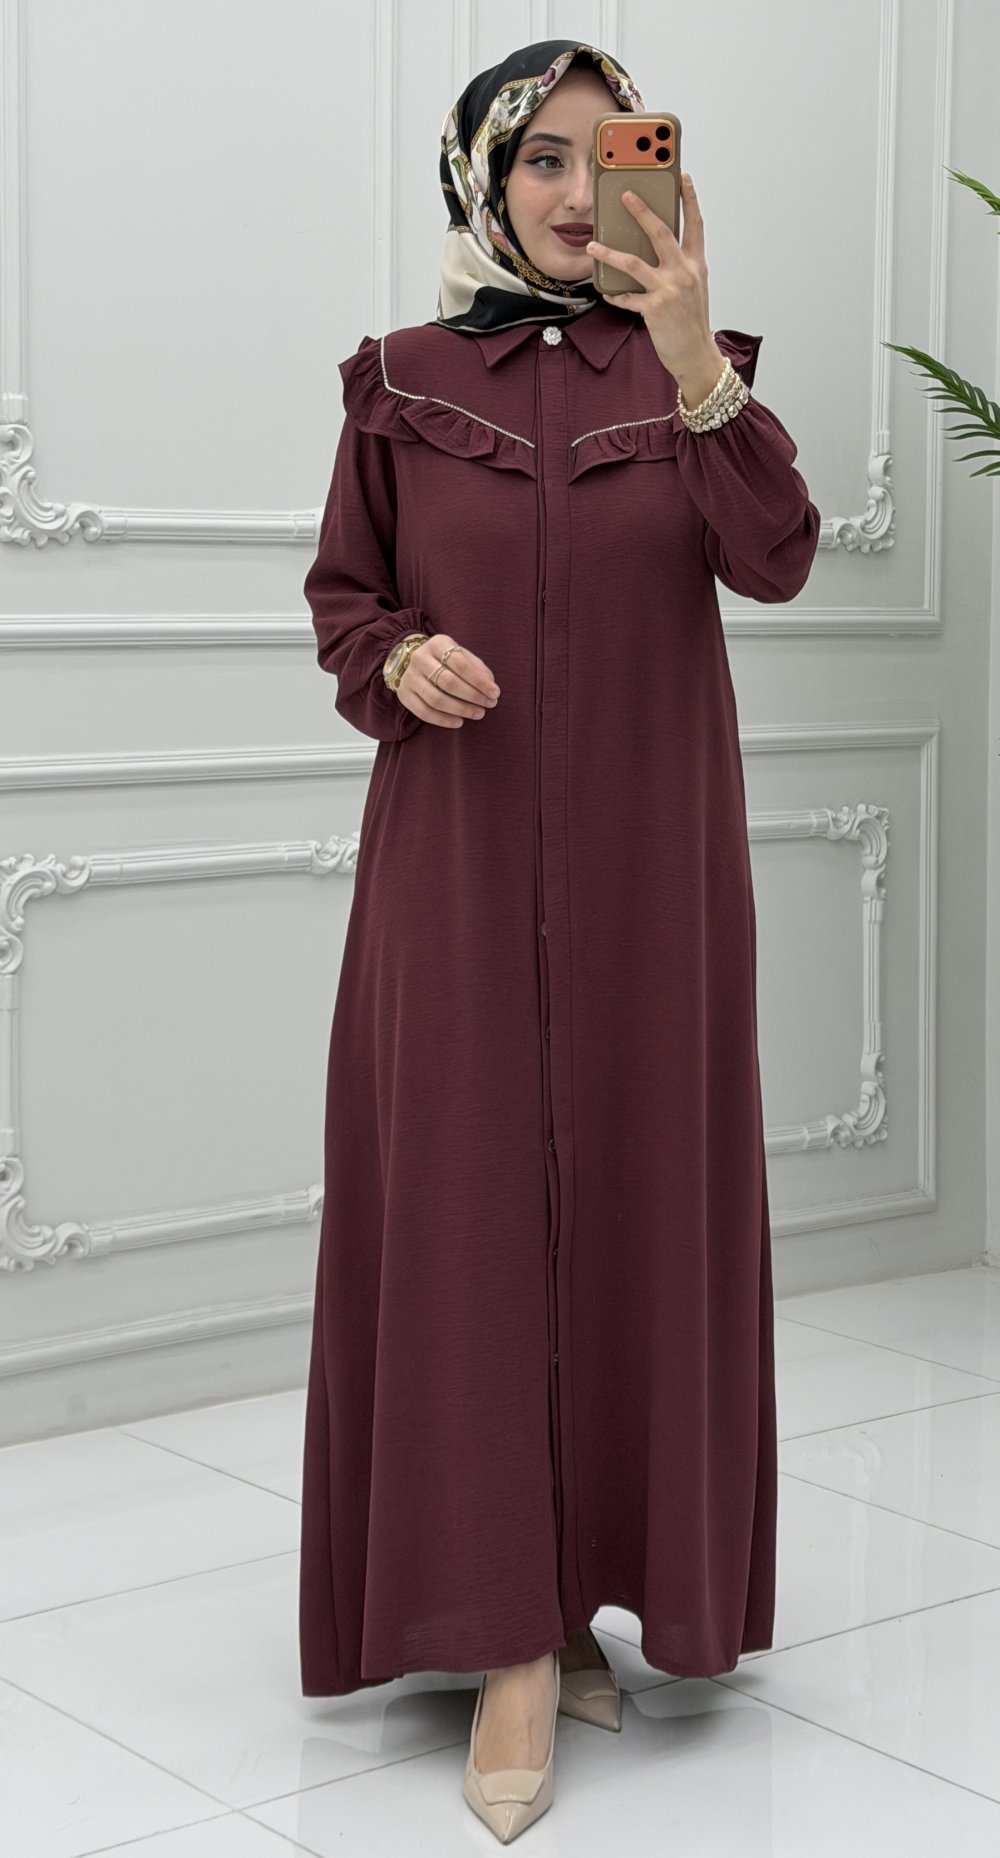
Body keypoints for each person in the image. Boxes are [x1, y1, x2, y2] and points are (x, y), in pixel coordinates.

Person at [299, 36, 821, 1846]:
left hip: (652, 871)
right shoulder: (401, 380)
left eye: (617, 155)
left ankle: (602, 1584)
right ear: (485, 179)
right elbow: (344, 598)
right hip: (450, 861)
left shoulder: (698, 374)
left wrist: (693, 368)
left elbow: (778, 557)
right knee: (459, 1212)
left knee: (638, 1200)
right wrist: (398, 661)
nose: (582, 191)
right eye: (543, 158)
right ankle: (500, 1633)